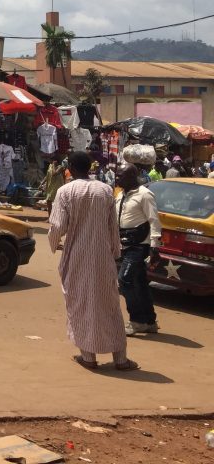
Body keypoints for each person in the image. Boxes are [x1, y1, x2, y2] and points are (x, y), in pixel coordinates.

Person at [48, 151, 138, 371]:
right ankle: (121, 359)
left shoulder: (65, 191)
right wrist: (115, 253)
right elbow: (112, 227)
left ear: (70, 166)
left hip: (76, 256)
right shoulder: (105, 190)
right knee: (110, 305)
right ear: (89, 167)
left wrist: (54, 243)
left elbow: (57, 226)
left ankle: (88, 357)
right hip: (103, 256)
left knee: (79, 303)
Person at [114, 164, 162, 337]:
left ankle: (136, 321)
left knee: (125, 280)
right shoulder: (120, 194)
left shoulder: (145, 195)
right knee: (140, 282)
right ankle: (149, 321)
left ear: (133, 176)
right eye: (117, 175)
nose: (117, 178)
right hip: (124, 243)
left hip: (139, 245)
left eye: (121, 175)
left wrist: (154, 247)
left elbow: (153, 220)